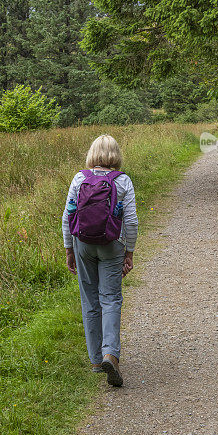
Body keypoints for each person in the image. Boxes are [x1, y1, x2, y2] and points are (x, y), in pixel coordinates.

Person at [62, 134, 138, 387]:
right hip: (111, 244)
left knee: (90, 299)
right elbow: (131, 221)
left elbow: (67, 216)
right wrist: (129, 252)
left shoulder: (80, 178)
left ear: (93, 153)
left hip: (83, 244)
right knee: (111, 298)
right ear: (116, 154)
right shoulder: (123, 180)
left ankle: (96, 360)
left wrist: (69, 250)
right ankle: (110, 354)